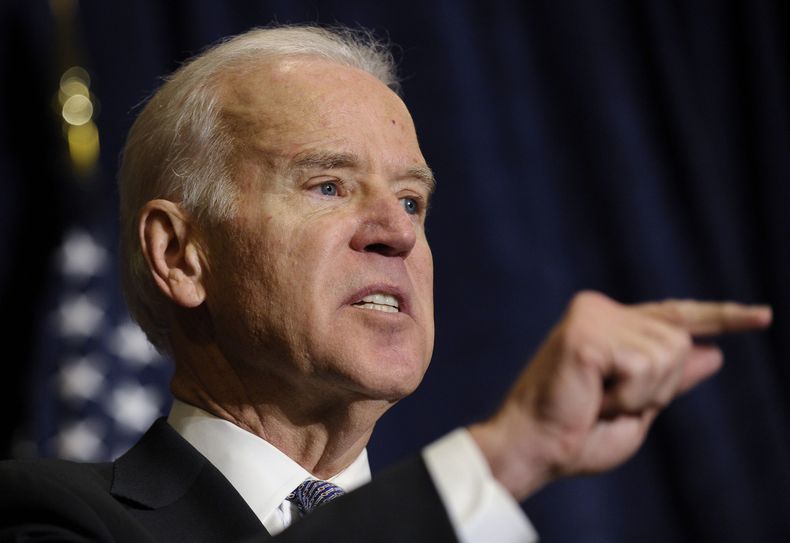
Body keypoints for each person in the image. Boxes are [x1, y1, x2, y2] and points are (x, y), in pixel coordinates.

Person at [0, 25, 771, 542]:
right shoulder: (49, 519)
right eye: (328, 185)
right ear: (181, 255)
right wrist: (501, 458)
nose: (398, 232)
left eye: (411, 199)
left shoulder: (482, 524)